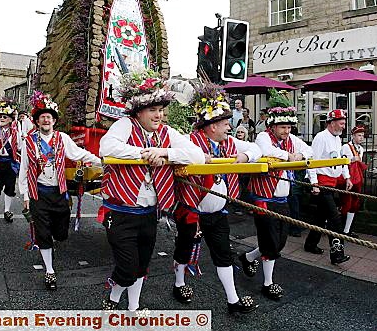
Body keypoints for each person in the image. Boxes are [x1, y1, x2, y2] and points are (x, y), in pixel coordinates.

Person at [99, 70, 204, 311]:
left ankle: (132, 307)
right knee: (127, 267)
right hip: (121, 212)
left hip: (148, 213)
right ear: (139, 111)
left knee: (142, 265)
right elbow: (107, 147)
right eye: (153, 110)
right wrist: (144, 154)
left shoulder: (167, 133)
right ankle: (114, 298)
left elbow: (197, 154)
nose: (159, 115)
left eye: (160, 109)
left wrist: (166, 153)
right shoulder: (125, 125)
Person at [172, 82, 260, 314]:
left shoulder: (229, 142)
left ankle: (233, 300)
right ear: (211, 127)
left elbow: (257, 149)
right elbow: (177, 153)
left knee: (223, 254)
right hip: (191, 210)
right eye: (224, 123)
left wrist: (244, 155)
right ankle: (179, 284)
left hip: (218, 213)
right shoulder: (189, 141)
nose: (229, 127)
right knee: (184, 249)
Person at [19, 91, 101, 291]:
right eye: (42, 117)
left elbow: (78, 153)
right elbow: (23, 168)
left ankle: (55, 238)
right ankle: (49, 271)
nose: (46, 120)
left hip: (59, 192)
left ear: (54, 121)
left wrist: (100, 160)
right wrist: (25, 196)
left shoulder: (62, 138)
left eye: (49, 117)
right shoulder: (28, 142)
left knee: (61, 233)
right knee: (43, 233)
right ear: (37, 121)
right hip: (38, 192)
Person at [240, 89, 314, 301]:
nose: (287, 131)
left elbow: (308, 151)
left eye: (289, 127)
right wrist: (289, 156)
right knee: (271, 241)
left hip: (282, 199)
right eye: (283, 127)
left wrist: (297, 154)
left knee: (280, 240)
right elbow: (266, 151)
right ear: (272, 126)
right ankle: (268, 283)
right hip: (262, 198)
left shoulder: (293, 139)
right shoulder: (264, 136)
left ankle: (248, 257)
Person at [303, 109, 351, 265]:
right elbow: (312, 160)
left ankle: (310, 244)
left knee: (320, 217)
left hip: (332, 183)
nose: (344, 126)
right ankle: (337, 253)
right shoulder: (321, 138)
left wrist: (346, 176)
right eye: (342, 123)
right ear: (332, 123)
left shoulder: (337, 139)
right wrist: (314, 183)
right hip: (322, 184)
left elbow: (340, 160)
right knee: (334, 219)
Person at [338, 126, 368, 237]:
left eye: (362, 136)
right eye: (359, 135)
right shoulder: (346, 147)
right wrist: (351, 160)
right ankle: (339, 228)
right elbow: (342, 162)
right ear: (353, 136)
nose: (361, 138)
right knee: (346, 203)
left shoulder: (361, 149)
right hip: (348, 178)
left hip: (357, 178)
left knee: (355, 204)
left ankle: (347, 230)